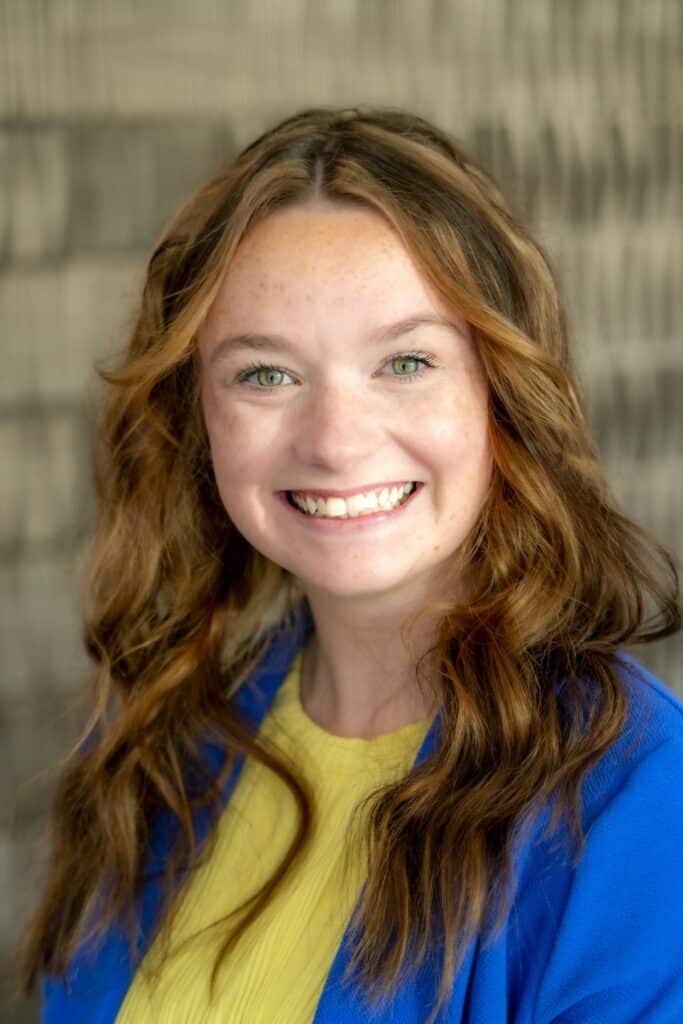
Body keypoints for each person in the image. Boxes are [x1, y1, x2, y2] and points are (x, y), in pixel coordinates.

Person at [21, 106, 683, 1024]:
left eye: (405, 361)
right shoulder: (166, 744)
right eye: (265, 374)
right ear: (196, 415)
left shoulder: (639, 801)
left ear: (500, 394)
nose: (335, 443)